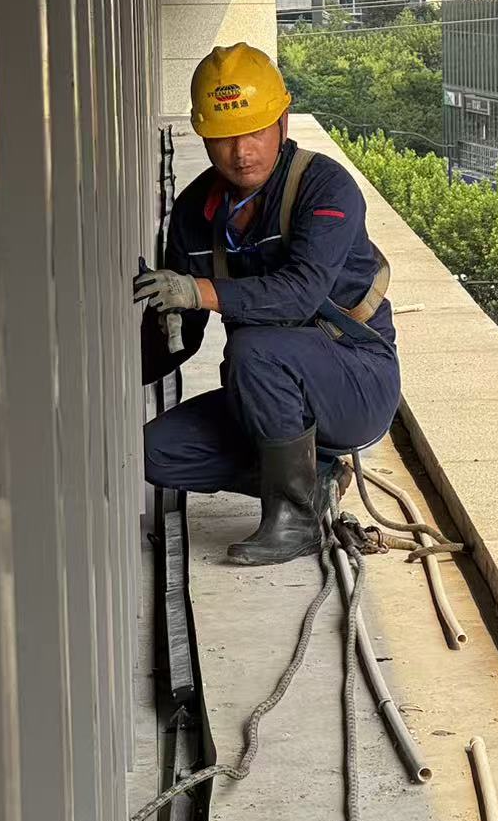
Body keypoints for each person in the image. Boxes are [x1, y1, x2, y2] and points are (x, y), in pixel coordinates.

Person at [134, 44, 401, 566]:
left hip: (356, 379)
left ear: (282, 119)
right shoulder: (193, 214)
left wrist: (201, 291)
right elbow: (182, 341)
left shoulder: (323, 186)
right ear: (204, 136)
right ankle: (316, 479)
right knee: (155, 452)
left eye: (255, 130)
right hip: (264, 392)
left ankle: (296, 522)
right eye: (224, 137)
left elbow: (300, 291)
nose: (241, 151)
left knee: (256, 348)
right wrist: (137, 337)